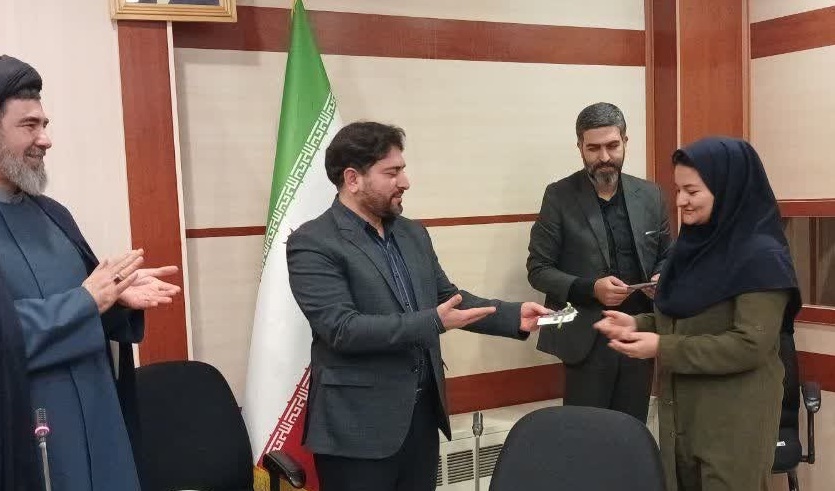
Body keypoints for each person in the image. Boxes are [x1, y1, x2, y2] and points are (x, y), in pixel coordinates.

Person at [0, 55, 181, 491]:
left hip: (100, 421)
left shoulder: (54, 215)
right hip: (24, 437)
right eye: (29, 126)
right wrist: (87, 300)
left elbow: (86, 310)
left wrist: (115, 299)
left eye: (44, 124)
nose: (45, 139)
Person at [286, 121, 552, 491]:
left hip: (421, 418)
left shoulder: (412, 232)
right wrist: (433, 322)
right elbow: (342, 329)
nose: (405, 182)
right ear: (352, 179)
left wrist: (511, 315)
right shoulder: (313, 242)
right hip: (358, 429)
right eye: (391, 172)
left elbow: (446, 298)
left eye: (403, 170)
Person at [594, 136, 801, 491]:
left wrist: (661, 347)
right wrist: (637, 323)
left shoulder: (762, 257)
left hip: (733, 421)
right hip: (682, 416)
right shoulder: (691, 246)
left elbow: (750, 345)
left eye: (692, 191)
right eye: (678, 190)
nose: (680, 201)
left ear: (727, 189)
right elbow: (686, 316)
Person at [527, 102, 672, 422]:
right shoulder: (559, 196)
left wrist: (662, 276)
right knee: (585, 435)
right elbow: (538, 269)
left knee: (631, 431)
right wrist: (590, 288)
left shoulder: (651, 195)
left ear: (625, 142)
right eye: (593, 148)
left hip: (639, 331)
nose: (604, 157)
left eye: (612, 146)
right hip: (584, 338)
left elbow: (667, 255)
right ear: (580, 147)